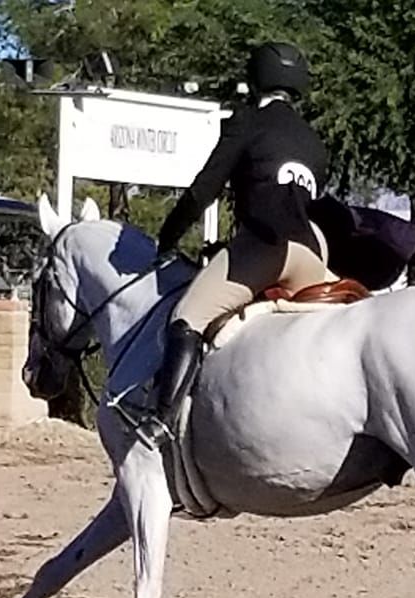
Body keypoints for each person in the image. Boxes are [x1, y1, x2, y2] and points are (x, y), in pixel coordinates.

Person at [133, 41, 334, 449]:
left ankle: (160, 420)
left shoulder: (246, 122)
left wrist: (168, 238)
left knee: (186, 317)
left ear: (256, 77)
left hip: (267, 247)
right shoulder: (313, 140)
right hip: (314, 251)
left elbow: (202, 191)